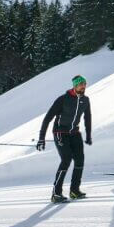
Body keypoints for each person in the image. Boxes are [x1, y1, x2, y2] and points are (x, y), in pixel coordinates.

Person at [37, 75, 92, 203]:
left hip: (75, 132)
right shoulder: (63, 99)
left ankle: (74, 190)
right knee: (66, 159)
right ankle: (56, 193)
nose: (83, 86)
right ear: (74, 85)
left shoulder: (85, 100)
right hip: (60, 132)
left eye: (84, 84)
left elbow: (87, 118)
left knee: (79, 159)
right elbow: (47, 118)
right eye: (80, 84)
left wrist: (88, 135)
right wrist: (41, 138)